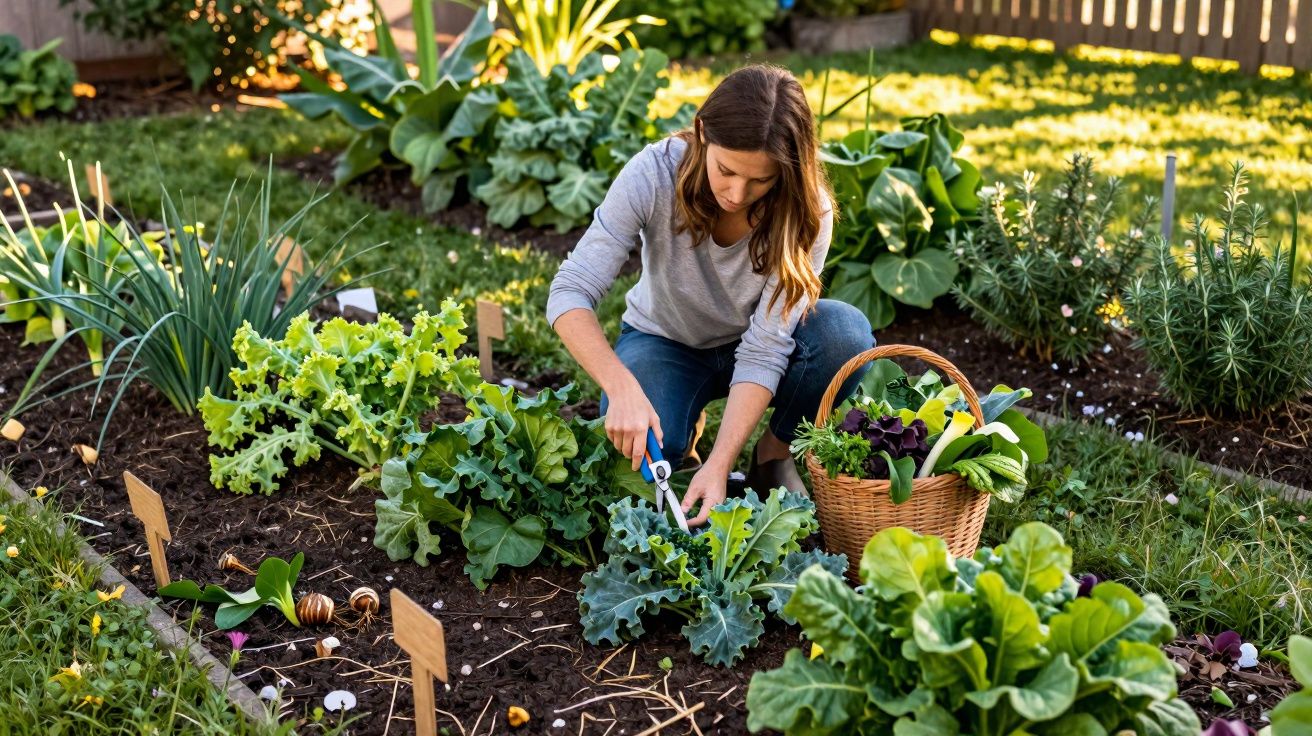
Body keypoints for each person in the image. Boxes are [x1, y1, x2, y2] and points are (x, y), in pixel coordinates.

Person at [546, 64, 873, 526]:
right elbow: (570, 291)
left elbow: (766, 346)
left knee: (845, 335)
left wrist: (724, 465)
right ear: (702, 132)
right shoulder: (652, 174)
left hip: (755, 347)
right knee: (647, 453)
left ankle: (772, 455)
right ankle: (686, 447)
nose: (738, 194)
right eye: (727, 170)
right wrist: (622, 388)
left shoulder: (807, 209)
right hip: (666, 341)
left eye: (761, 180)